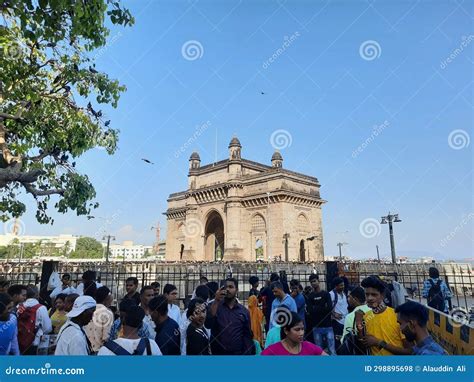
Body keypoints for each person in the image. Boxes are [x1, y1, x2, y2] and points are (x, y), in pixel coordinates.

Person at [358, 276, 412, 355]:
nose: (369, 298)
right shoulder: (366, 317)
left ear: (383, 295)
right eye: (367, 294)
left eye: (374, 295)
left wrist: (379, 342)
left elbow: (410, 351)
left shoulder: (397, 317)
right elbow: (364, 345)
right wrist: (358, 325)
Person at [206, 278, 255, 355]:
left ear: (237, 290)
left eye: (231, 287)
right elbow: (208, 324)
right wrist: (216, 300)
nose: (228, 289)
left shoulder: (243, 311)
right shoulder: (215, 306)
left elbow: (247, 336)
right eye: (225, 287)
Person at [262, 312, 326, 356]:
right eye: (297, 329)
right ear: (286, 331)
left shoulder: (309, 347)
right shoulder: (273, 350)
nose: (301, 333)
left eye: (302, 329)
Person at [17, 285, 52, 355]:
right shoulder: (41, 308)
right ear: (37, 294)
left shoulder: (18, 307)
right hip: (34, 343)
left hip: (19, 342)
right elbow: (48, 328)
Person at [306, 274, 336, 355]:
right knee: (319, 351)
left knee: (332, 350)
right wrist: (322, 307)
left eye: (315, 281)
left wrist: (316, 308)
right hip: (316, 327)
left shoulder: (326, 294)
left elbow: (329, 308)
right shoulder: (310, 296)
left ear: (318, 281)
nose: (313, 283)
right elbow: (310, 310)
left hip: (328, 326)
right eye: (311, 282)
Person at [180, 284, 209, 355]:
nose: (201, 316)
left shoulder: (201, 328)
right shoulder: (193, 333)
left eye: (203, 311)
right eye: (197, 312)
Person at [84, 286, 114, 353]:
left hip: (85, 349)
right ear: (107, 298)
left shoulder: (88, 310)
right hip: (99, 351)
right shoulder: (107, 313)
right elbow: (106, 337)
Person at [329, 277, 348, 346]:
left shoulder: (344, 293)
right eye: (341, 285)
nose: (343, 287)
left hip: (345, 321)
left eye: (343, 285)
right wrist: (334, 314)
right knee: (338, 341)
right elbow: (328, 307)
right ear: (336, 286)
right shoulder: (331, 294)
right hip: (337, 322)